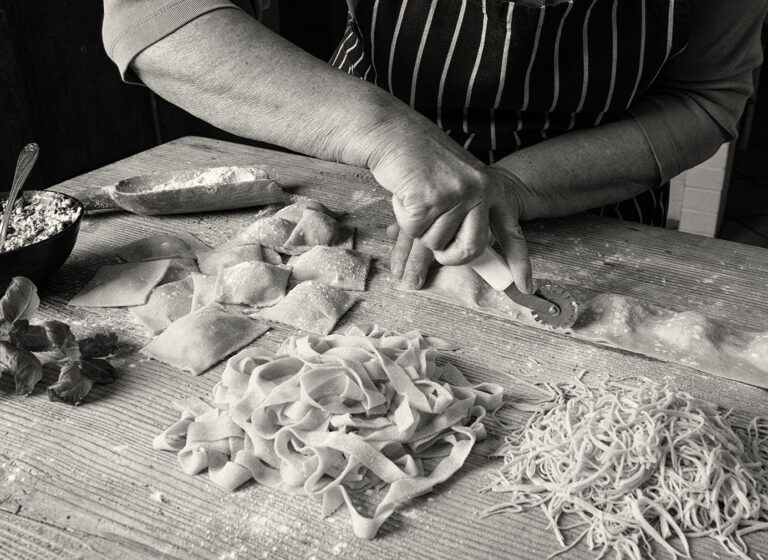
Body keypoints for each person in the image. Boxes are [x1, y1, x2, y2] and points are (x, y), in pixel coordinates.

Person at [102, 0, 768, 292]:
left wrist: (519, 186)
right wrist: (385, 132)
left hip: (592, 196)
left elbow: (708, 96)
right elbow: (150, 15)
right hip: (361, 185)